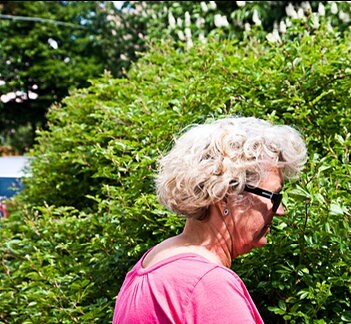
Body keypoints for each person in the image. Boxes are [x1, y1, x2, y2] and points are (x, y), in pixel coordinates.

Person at [112, 116, 308, 323]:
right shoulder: (206, 283)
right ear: (226, 197)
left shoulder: (153, 262)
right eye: (274, 197)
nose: (280, 211)